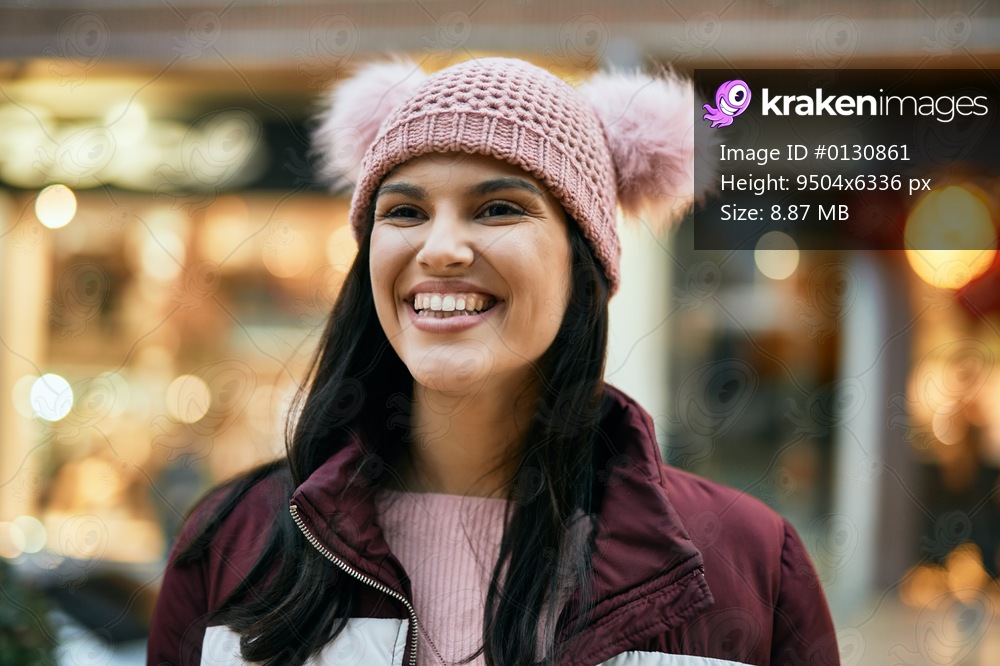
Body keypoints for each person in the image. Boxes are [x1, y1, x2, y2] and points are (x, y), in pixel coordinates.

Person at [147, 57, 840, 666]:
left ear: (584, 261)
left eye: (499, 208)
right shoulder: (233, 542)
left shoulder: (748, 563)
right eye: (406, 212)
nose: (441, 248)